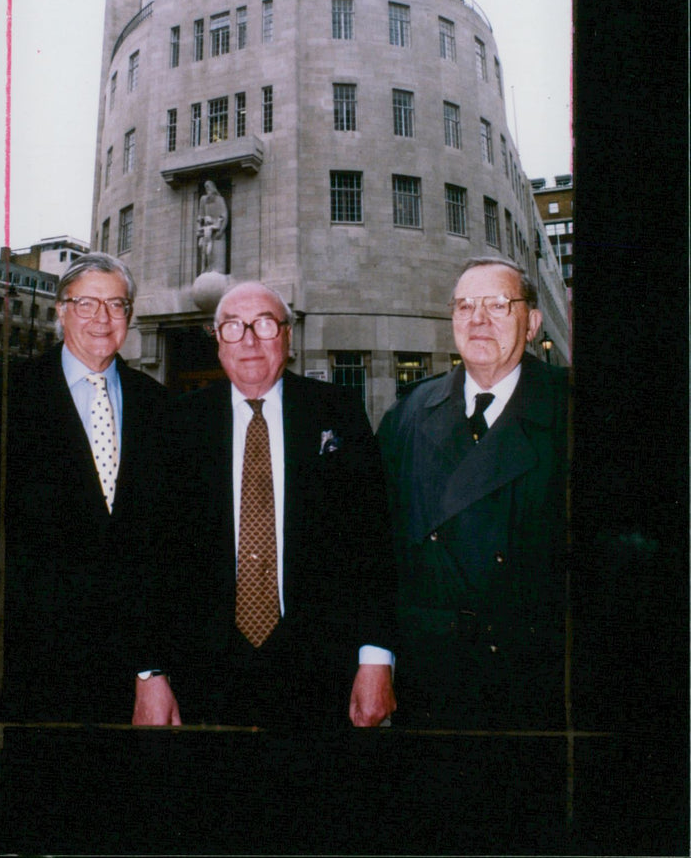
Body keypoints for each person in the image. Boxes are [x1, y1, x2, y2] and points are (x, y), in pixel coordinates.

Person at [133, 280, 397, 729]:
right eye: (233, 326)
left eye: (264, 324)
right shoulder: (177, 422)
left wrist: (376, 660)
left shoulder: (338, 412)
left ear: (288, 337)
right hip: (202, 671)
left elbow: (372, 540)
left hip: (319, 668)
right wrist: (149, 672)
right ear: (218, 342)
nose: (250, 340)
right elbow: (148, 553)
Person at [378, 258, 570, 729]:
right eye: (464, 306)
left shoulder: (571, 410)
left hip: (535, 681)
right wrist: (376, 659)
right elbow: (377, 554)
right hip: (431, 682)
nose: (477, 319)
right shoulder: (407, 415)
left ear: (532, 325)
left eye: (498, 305)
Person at [2, 252, 179, 724]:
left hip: (136, 679)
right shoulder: (5, 400)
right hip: (27, 673)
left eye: (116, 305)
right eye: (87, 304)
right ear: (61, 310)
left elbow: (172, 550)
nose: (102, 318)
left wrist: (153, 669)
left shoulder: (162, 410)